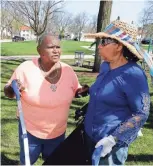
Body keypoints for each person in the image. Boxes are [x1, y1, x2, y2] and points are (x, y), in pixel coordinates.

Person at [4, 33, 88, 165]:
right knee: (26, 162)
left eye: (58, 47)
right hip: (30, 131)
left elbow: (75, 90)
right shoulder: (26, 68)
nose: (56, 50)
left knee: (54, 162)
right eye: (51, 47)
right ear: (39, 50)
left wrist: (81, 91)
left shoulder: (68, 70)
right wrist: (12, 88)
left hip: (58, 132)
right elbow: (9, 92)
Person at [84, 20, 150, 165]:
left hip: (110, 146)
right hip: (90, 135)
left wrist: (113, 138)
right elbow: (109, 90)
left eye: (104, 42)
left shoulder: (133, 75)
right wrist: (89, 89)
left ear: (119, 46)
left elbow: (142, 113)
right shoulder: (105, 66)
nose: (99, 46)